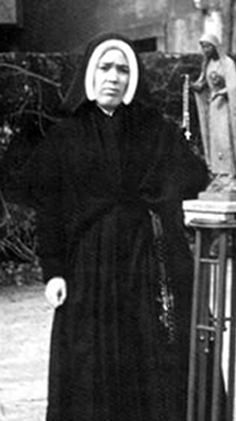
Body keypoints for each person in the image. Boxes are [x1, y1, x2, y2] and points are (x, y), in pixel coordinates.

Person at [15, 33, 210, 421]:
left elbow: (193, 175)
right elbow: (50, 209)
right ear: (89, 74)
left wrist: (158, 195)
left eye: (123, 69)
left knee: (150, 361)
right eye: (105, 67)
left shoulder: (154, 127)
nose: (114, 77)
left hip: (148, 266)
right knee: (93, 365)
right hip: (91, 270)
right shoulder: (65, 136)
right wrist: (53, 271)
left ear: (133, 78)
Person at [191, 33, 236, 193]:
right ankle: (219, 175)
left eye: (208, 46)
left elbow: (235, 86)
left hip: (226, 109)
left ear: (215, 46)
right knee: (215, 140)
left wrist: (223, 92)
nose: (205, 50)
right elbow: (204, 83)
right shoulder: (207, 65)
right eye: (203, 47)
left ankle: (232, 174)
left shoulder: (228, 63)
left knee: (226, 139)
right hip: (213, 108)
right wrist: (197, 87)